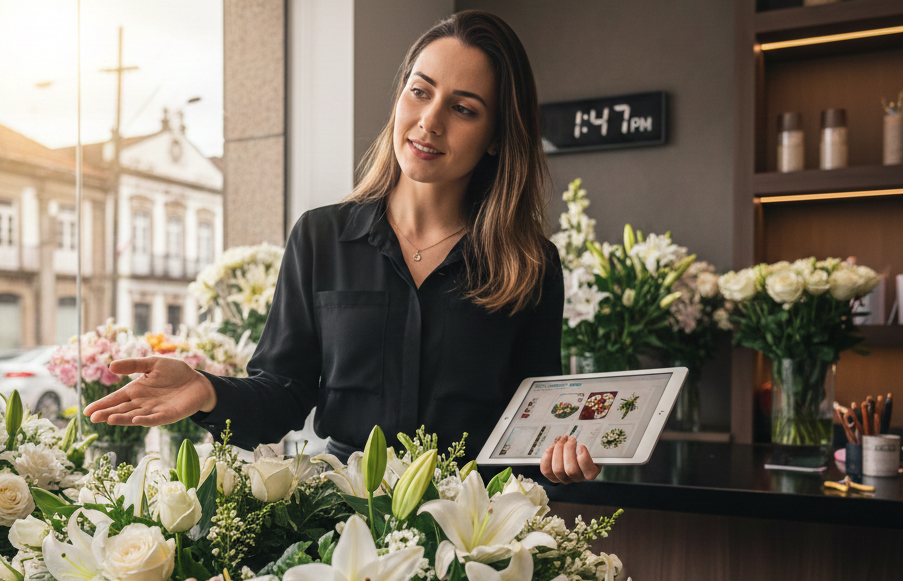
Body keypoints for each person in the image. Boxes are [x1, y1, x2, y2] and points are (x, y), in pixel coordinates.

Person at [85, 10, 600, 485]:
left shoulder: (529, 266)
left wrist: (561, 457)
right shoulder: (319, 238)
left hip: (473, 528)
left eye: (463, 108)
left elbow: (537, 420)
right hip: (340, 518)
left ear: (496, 135)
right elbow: (282, 395)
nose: (430, 121)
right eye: (420, 92)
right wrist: (207, 391)